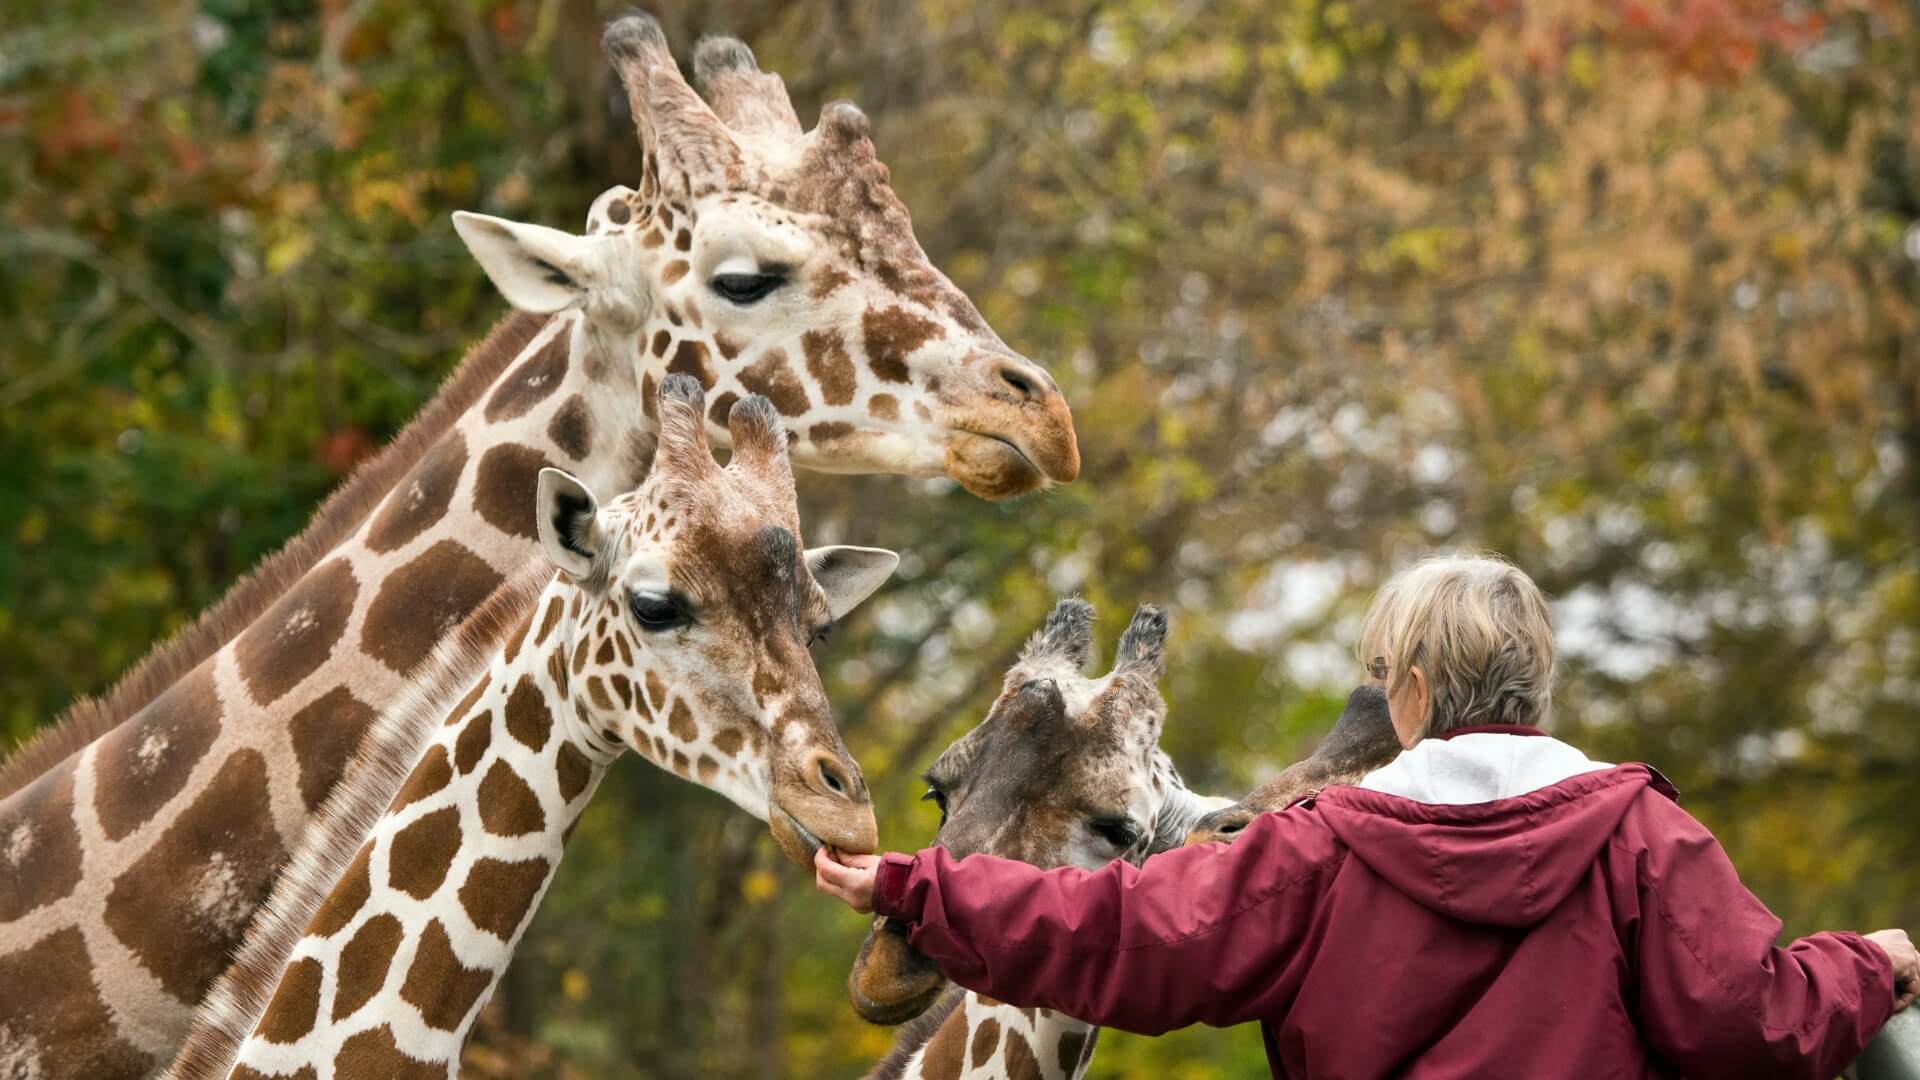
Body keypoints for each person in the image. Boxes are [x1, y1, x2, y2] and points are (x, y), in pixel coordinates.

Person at [816, 553, 1919, 1079]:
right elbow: (1746, 1026)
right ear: (1538, 686)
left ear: (1416, 698)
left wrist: (922, 888)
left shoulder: (1323, 850)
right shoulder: (1645, 839)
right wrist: (1865, 968)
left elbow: (1125, 936)